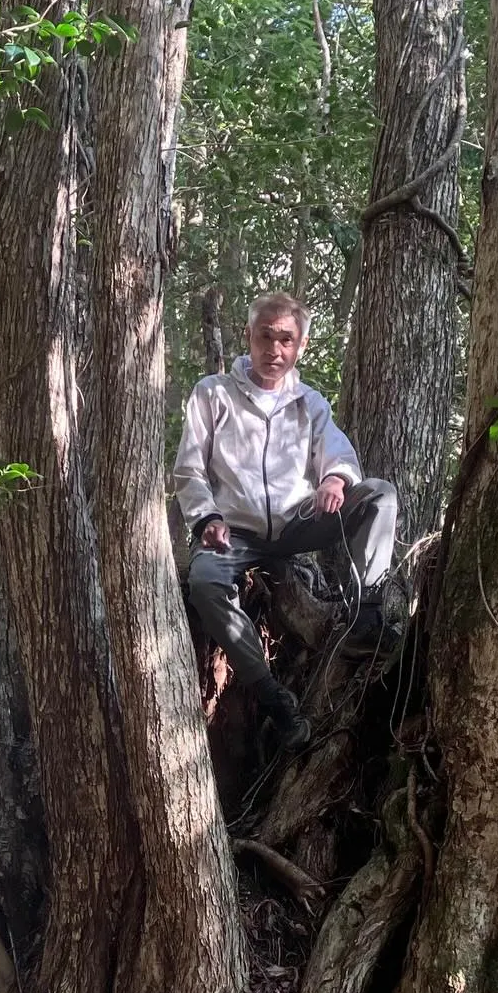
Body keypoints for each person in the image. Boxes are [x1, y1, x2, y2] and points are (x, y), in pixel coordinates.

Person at [174, 291, 398, 749]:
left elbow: (338, 453)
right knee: (205, 582)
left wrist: (335, 479)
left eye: (286, 340)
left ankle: (366, 616)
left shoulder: (308, 402)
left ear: (301, 346)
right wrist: (206, 518)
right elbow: (189, 470)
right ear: (248, 336)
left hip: (299, 523)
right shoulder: (213, 393)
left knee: (379, 495)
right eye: (266, 337)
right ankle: (272, 695)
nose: (274, 350)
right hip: (234, 532)